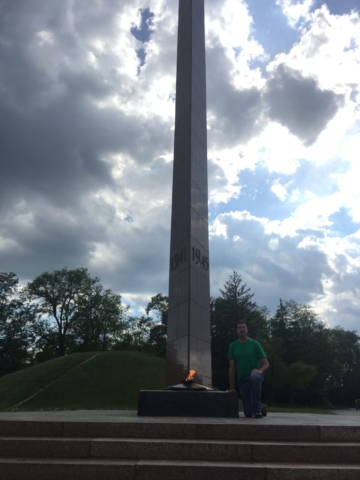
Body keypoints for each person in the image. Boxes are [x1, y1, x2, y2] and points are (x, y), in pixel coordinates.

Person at [228, 320, 269, 418]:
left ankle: (258, 408)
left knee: (255, 377)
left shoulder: (254, 344)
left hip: (254, 376)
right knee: (248, 414)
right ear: (236, 331)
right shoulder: (232, 346)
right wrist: (232, 388)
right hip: (242, 381)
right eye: (239, 327)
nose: (242, 329)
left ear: (247, 330)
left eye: (243, 327)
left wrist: (260, 371)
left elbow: (266, 363)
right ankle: (261, 407)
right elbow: (232, 368)